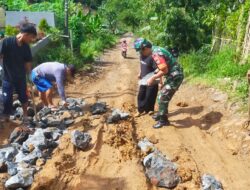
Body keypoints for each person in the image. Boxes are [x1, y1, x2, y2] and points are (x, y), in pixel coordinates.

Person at [134, 38, 184, 129]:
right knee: (161, 96)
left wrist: (153, 78)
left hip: (175, 76)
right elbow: (162, 66)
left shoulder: (156, 54)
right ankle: (161, 114)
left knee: (163, 97)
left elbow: (164, 70)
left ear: (145, 48)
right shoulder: (155, 49)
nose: (140, 54)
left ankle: (163, 120)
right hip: (171, 75)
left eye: (141, 51)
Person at [0, 23, 37, 124]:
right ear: (26, 34)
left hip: (21, 77)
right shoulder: (7, 42)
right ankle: (6, 116)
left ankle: (25, 115)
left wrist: (29, 74)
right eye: (31, 37)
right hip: (8, 76)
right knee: (7, 98)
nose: (31, 40)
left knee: (23, 97)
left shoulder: (26, 47)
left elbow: (28, 61)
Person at [134, 38, 159, 116]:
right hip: (144, 79)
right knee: (141, 95)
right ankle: (140, 110)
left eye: (141, 50)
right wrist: (140, 72)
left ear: (146, 48)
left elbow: (158, 70)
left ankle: (150, 109)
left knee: (150, 96)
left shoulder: (152, 57)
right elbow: (142, 65)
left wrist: (159, 81)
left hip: (152, 80)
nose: (140, 52)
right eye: (139, 50)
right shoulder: (141, 56)